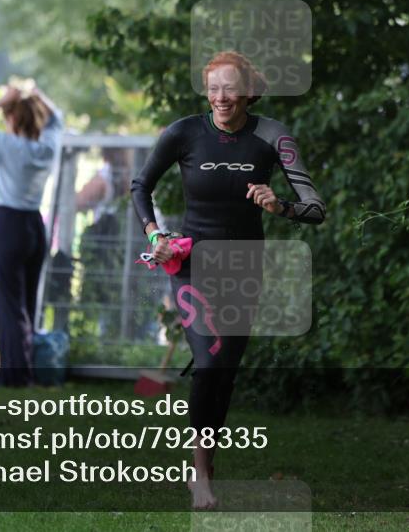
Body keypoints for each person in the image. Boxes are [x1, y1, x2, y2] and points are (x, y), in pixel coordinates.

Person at [130, 50, 326, 509]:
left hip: (244, 267)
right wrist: (155, 232)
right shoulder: (184, 133)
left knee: (226, 372)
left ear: (249, 92)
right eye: (213, 87)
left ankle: (205, 461)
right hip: (192, 264)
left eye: (230, 88)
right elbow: (141, 186)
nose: (220, 97)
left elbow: (316, 207)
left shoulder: (272, 137)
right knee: (209, 363)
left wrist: (280, 206)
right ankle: (201, 474)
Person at [0, 79, 64, 387]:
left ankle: (12, 375)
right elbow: (57, 119)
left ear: (13, 118)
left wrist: (3, 98)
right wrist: (36, 93)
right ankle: (24, 370)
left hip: (9, 224)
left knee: (8, 303)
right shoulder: (47, 147)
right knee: (27, 302)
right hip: (35, 224)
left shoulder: (8, 146)